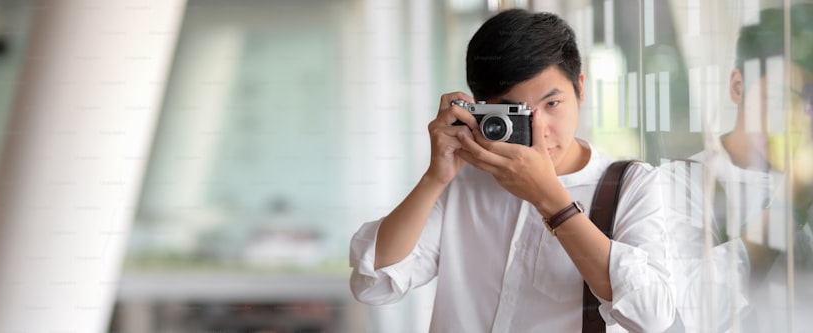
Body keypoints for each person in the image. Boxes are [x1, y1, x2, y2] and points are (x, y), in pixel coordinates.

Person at [348, 9, 676, 332]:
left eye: (552, 104)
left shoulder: (630, 184)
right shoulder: (463, 178)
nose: (539, 129)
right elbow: (373, 284)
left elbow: (651, 316)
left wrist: (551, 201)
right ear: (480, 108)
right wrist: (435, 178)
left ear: (580, 88)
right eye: (514, 112)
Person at [663, 4, 813, 332]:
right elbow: (695, 312)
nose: (798, 119)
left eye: (810, 103)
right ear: (737, 86)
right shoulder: (681, 182)